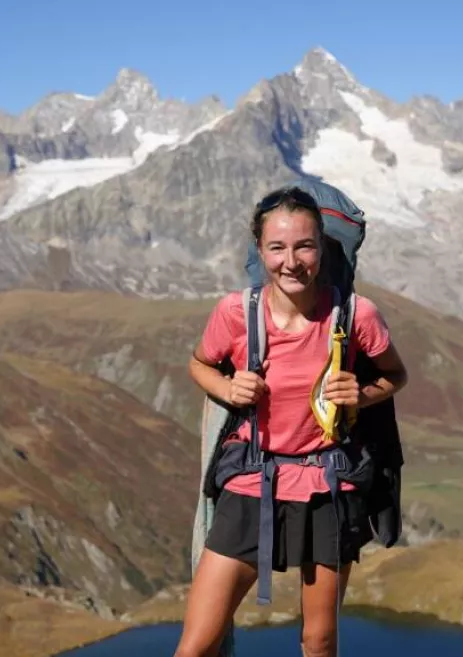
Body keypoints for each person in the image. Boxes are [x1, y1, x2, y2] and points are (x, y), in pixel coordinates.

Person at [175, 186, 408, 657]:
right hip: (251, 479)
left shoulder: (355, 315)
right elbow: (199, 363)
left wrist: (362, 395)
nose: (291, 261)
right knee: (196, 646)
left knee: (319, 642)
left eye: (304, 246)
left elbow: (395, 375)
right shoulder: (236, 313)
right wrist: (227, 388)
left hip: (328, 485)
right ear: (260, 251)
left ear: (322, 247)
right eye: (277, 248)